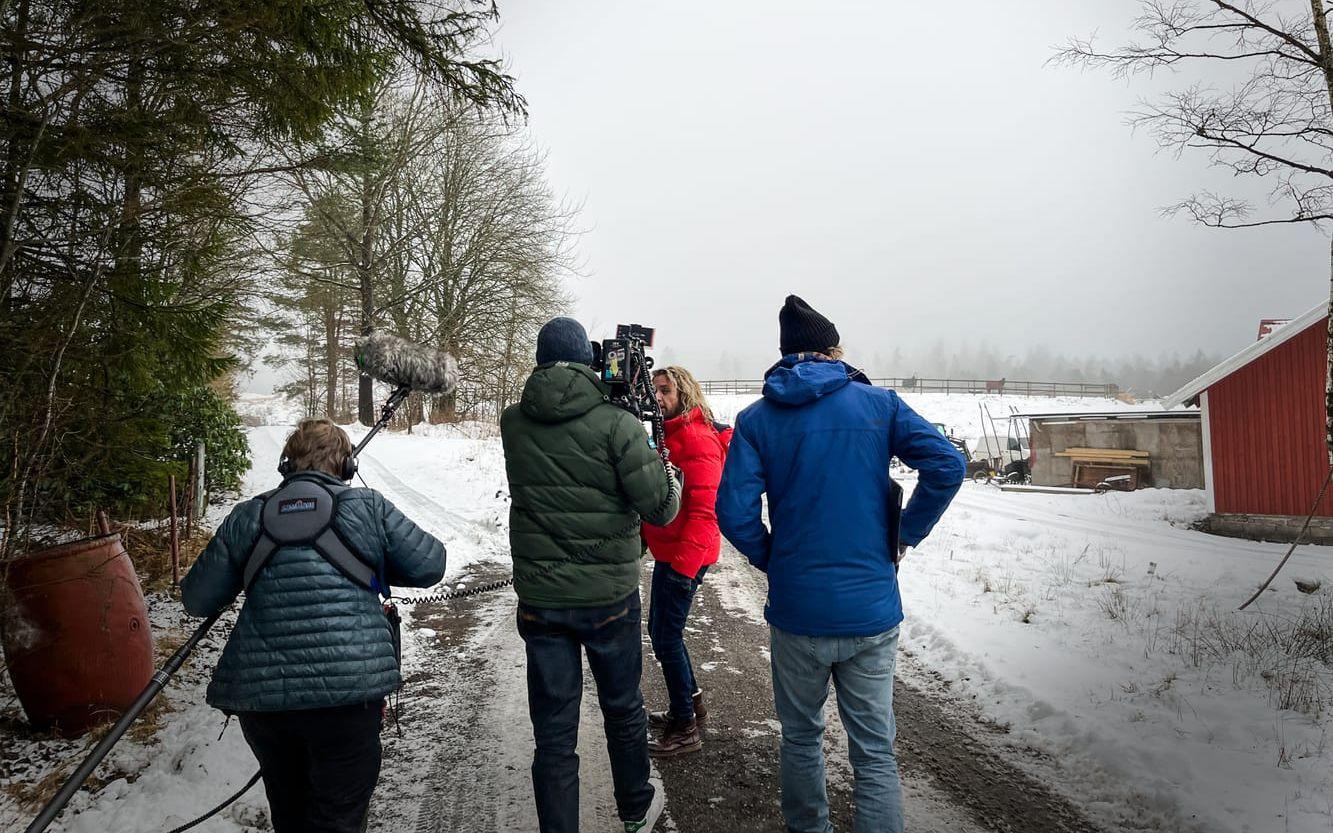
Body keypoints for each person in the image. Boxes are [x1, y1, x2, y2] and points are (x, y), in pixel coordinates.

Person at [716, 295, 965, 833]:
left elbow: (732, 513)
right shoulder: (880, 405)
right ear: (834, 351)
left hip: (798, 609)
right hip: (871, 611)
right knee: (874, 752)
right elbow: (947, 463)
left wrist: (772, 559)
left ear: (786, 356)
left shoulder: (756, 419)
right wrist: (905, 535)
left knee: (801, 736)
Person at [181, 418, 446, 833]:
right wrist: (373, 557)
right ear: (347, 467)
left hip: (265, 703)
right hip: (347, 696)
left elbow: (197, 599)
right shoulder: (369, 507)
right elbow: (431, 564)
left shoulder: (247, 515)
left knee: (291, 816)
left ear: (287, 465)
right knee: (339, 818)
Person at [500, 316, 681, 833]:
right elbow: (661, 509)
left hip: (541, 598)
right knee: (623, 709)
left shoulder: (513, 423)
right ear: (590, 361)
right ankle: (634, 810)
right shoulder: (617, 425)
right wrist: (669, 468)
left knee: (554, 732)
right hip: (608, 597)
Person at [641, 366, 731, 757]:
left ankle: (685, 727)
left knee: (665, 636)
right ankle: (690, 703)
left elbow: (705, 513)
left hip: (685, 556)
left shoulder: (696, 439)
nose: (658, 398)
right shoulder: (670, 435)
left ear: (686, 394)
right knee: (660, 630)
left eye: (666, 391)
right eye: (654, 391)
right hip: (671, 551)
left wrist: (682, 568)